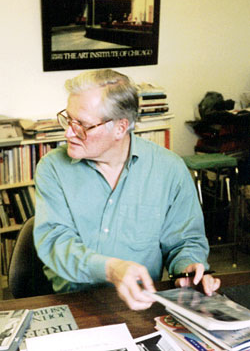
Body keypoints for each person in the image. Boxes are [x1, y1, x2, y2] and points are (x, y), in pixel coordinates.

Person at [33, 69, 221, 311]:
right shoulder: (52, 168)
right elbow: (56, 244)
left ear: (120, 128)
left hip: (143, 305)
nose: (69, 132)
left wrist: (189, 267)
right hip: (75, 305)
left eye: (82, 125)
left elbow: (185, 241)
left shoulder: (169, 168)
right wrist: (112, 269)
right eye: (68, 119)